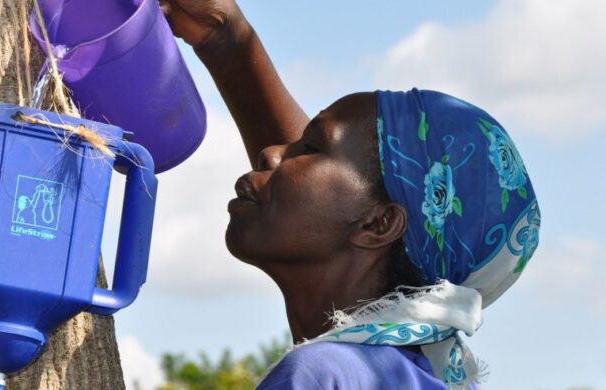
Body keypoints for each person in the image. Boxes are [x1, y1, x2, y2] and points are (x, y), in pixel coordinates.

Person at [161, 1, 541, 389]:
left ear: (380, 222)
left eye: (309, 147)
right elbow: (334, 185)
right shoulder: (398, 376)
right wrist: (224, 39)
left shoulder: (322, 374)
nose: (271, 153)